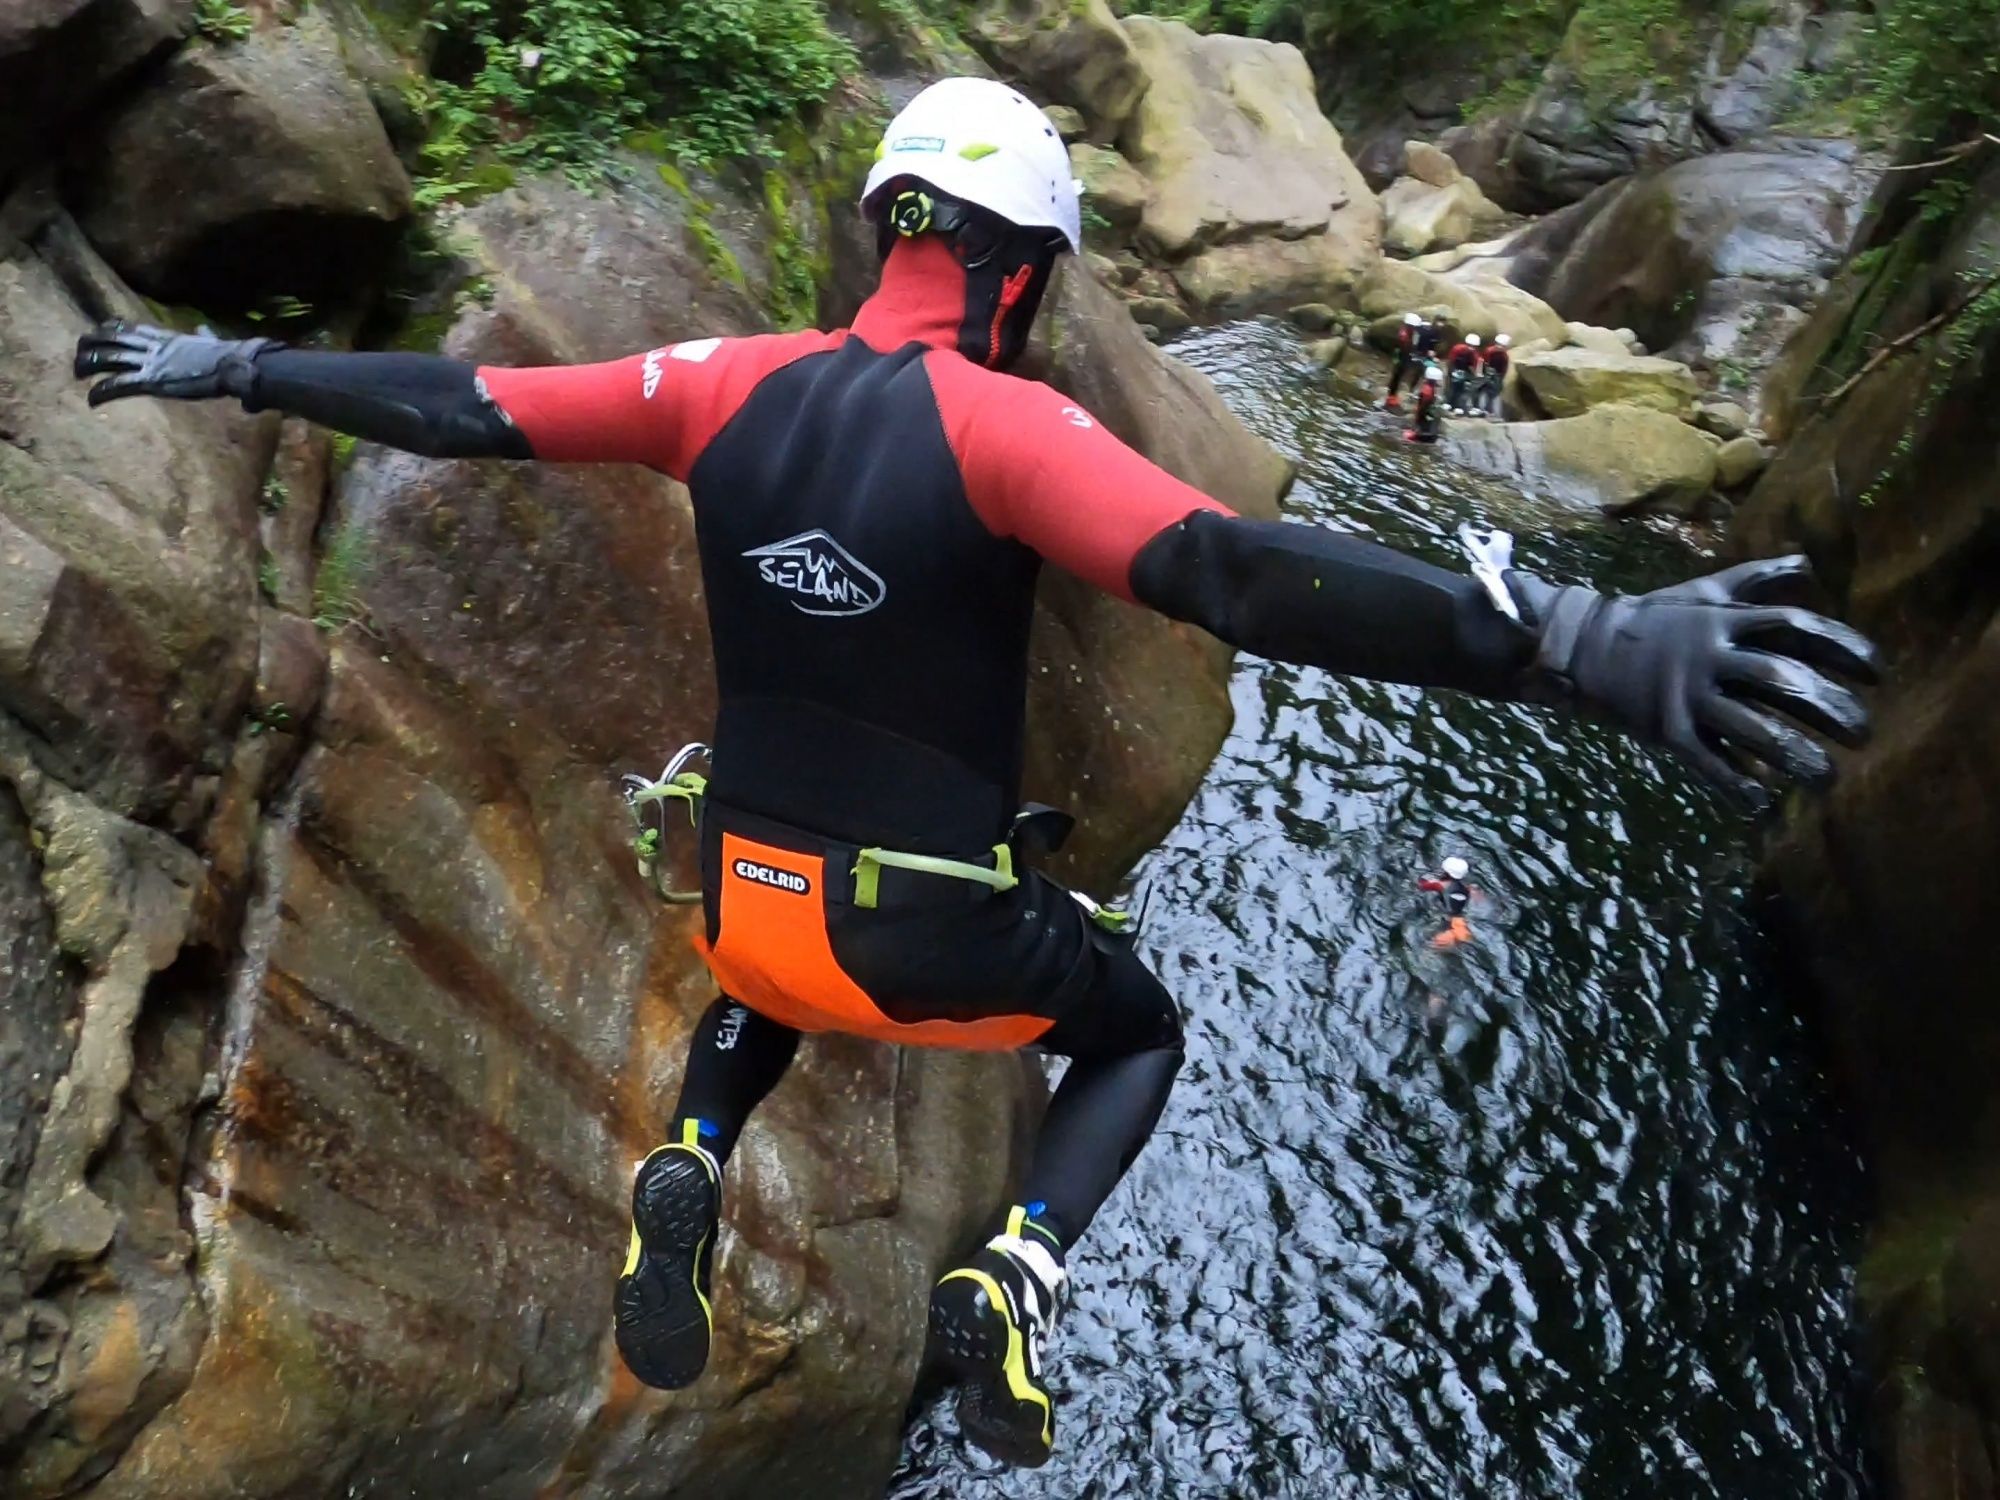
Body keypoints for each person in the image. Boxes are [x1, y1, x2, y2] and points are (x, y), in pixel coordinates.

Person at [72, 75, 1878, 1471]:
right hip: (931, 935)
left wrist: (230, 362)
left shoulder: (722, 381)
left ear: (889, 235)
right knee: (1138, 1028)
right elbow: (1232, 575)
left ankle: (692, 1150)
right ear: (1015, 268)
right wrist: (1559, 636)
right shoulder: (1012, 428)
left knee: (765, 969)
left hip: (753, 907)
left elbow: (459, 408)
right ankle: (1016, 1273)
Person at [1419, 855, 1476, 947]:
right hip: (1460, 917)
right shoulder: (1468, 888)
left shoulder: (1441, 884)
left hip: (1449, 918)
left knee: (1428, 945)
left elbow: (1422, 884)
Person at [1384, 312, 1425, 410]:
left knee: (1399, 376)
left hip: (1404, 357)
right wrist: (1410, 355)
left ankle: (1393, 395)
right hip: (1401, 358)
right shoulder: (1404, 334)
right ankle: (1391, 396)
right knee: (1397, 377)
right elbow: (1404, 348)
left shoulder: (1409, 333)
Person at [1404, 361, 1445, 444]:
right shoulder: (1428, 390)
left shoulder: (1428, 387)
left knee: (1425, 421)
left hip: (1424, 410)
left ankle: (1421, 432)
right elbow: (1424, 405)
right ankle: (1421, 435)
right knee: (1424, 423)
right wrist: (1421, 414)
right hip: (1424, 411)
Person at [1475, 333, 1511, 419]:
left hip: (1486, 374)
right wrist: (1500, 377)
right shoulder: (1503, 354)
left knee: (1483, 393)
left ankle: (1482, 410)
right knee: (1493, 395)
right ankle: (1492, 413)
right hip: (1495, 376)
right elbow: (1503, 369)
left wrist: (1480, 373)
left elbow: (1482, 362)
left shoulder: (1488, 350)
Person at [1444, 331, 1482, 414]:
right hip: (1457, 371)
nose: (1472, 347)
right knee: (1456, 389)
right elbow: (1451, 361)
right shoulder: (1459, 349)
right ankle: (1452, 404)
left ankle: (1453, 405)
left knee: (1457, 389)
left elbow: (1473, 366)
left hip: (1461, 372)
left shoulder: (1459, 349)